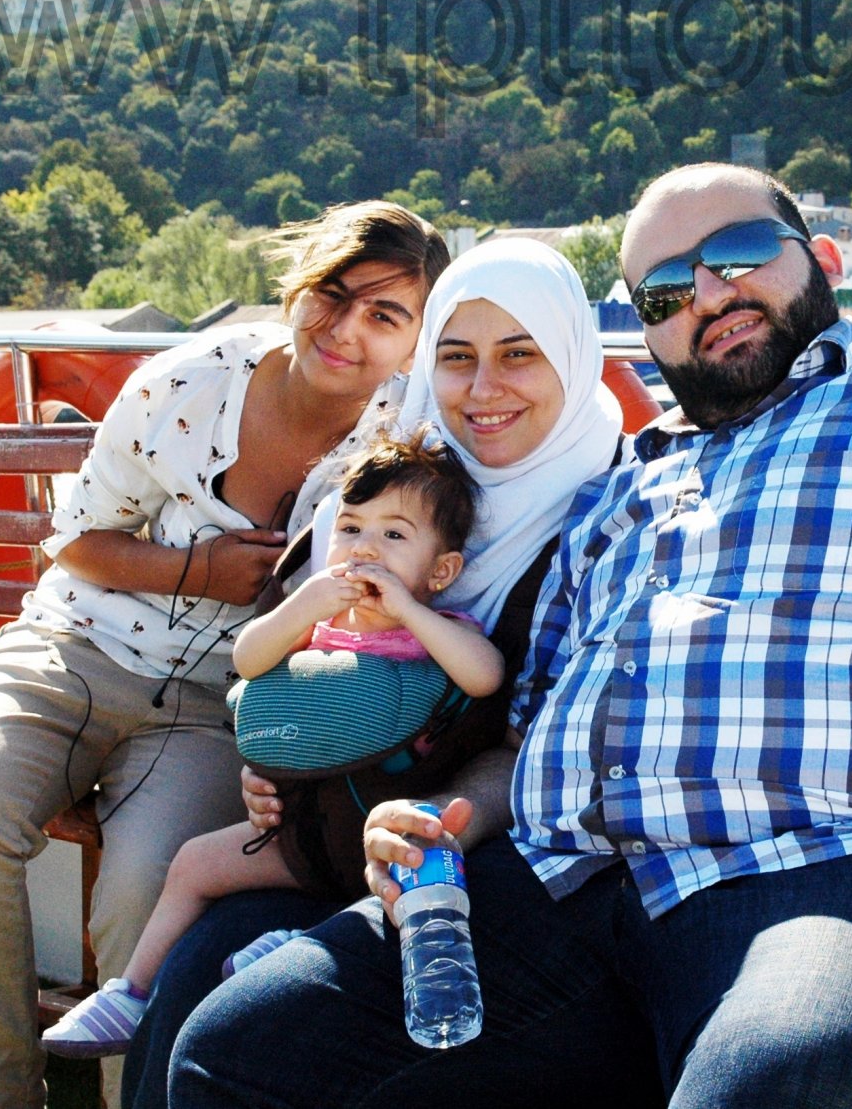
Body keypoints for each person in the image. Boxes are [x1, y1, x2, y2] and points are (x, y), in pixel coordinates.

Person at [157, 162, 852, 1108]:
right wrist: (453, 817)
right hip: (566, 887)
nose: (707, 289)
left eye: (741, 249)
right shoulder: (624, 487)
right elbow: (530, 727)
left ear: (825, 260)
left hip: (836, 876)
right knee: (242, 1051)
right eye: (662, 286)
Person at [0, 200, 450, 1109]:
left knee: (146, 888)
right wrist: (200, 567)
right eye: (332, 293)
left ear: (417, 338)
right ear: (297, 284)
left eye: (385, 315)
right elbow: (73, 538)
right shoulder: (184, 385)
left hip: (213, 705)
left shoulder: (401, 440)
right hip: (75, 647)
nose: (346, 329)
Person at [121, 236, 623, 1108]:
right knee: (198, 964)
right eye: (457, 357)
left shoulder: (613, 512)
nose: (483, 388)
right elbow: (283, 653)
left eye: (520, 355)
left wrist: (431, 824)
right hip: (326, 833)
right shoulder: (393, 491)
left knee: (268, 1026)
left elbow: (535, 737)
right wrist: (283, 751)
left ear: (574, 359)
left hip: (466, 861)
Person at [39, 435, 502, 1059]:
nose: (364, 547)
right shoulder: (314, 628)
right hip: (295, 833)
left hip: (377, 841)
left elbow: (484, 676)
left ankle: (296, 941)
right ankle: (130, 991)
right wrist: (304, 605)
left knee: (385, 890)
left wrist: (411, 614)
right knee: (195, 863)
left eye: (394, 536)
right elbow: (249, 659)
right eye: (350, 528)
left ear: (441, 571)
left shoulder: (439, 635)